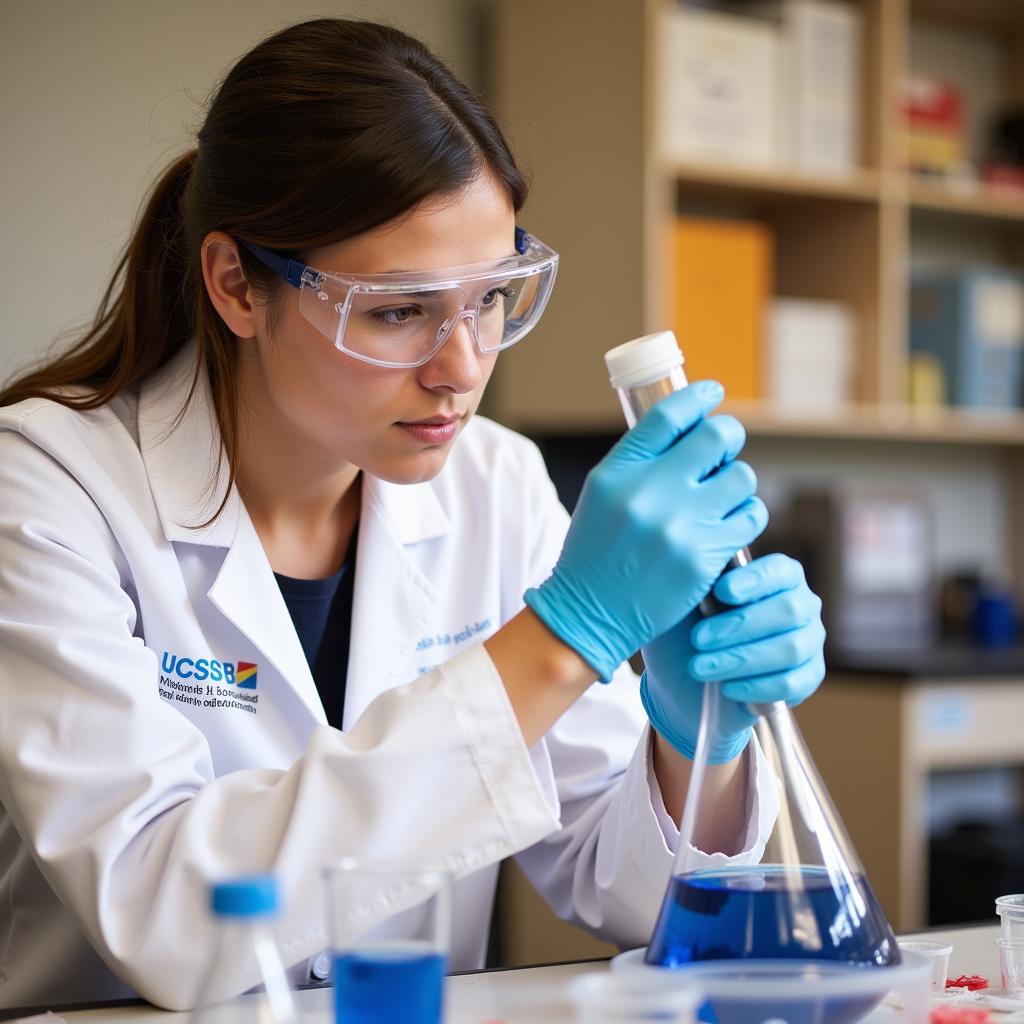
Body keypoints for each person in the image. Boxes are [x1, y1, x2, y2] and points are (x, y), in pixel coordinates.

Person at [0, 18, 826, 1011]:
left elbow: (635, 893)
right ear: (236, 285)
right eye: (398, 311)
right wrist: (562, 639)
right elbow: (172, 915)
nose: (462, 368)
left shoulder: (498, 485)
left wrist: (699, 743)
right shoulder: (47, 489)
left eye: (489, 299)